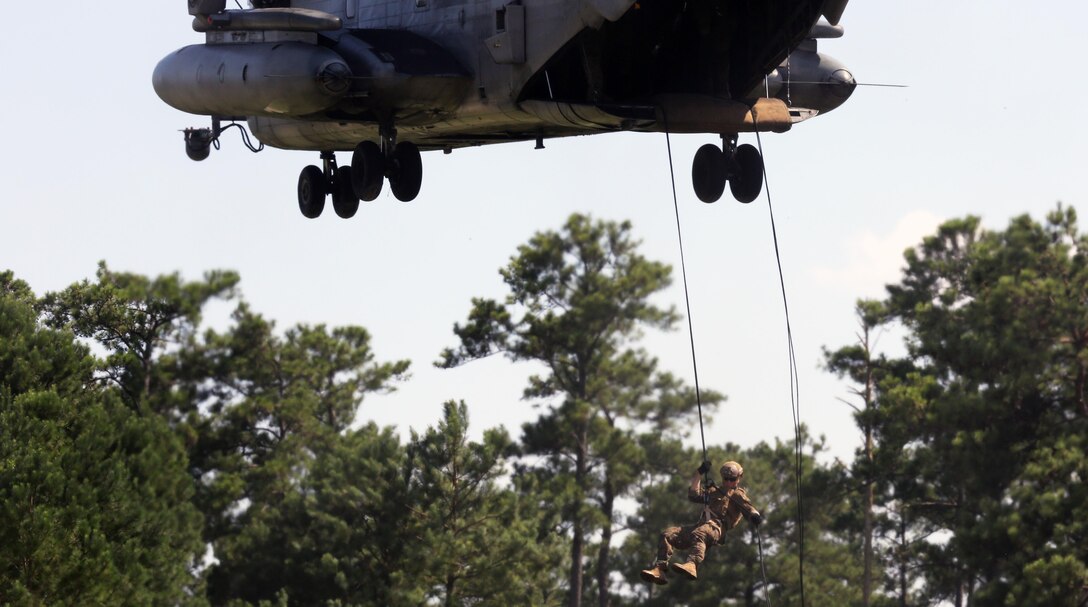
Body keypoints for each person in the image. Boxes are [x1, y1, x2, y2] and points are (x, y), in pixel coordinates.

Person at [639, 460, 762, 584]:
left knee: (700, 533)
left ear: (739, 478)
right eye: (726, 478)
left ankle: (692, 564)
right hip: (701, 527)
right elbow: (694, 495)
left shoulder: (737, 495)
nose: (729, 482)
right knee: (668, 534)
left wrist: (755, 516)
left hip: (716, 529)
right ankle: (660, 569)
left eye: (732, 479)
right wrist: (699, 473)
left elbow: (748, 507)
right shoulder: (714, 492)